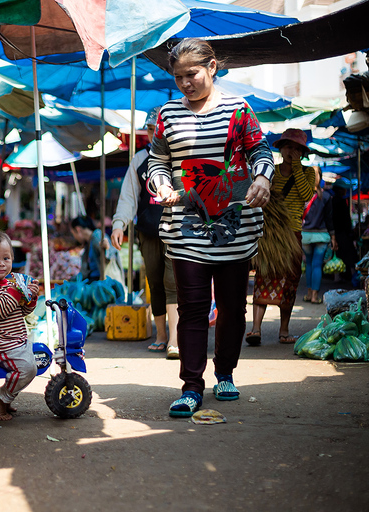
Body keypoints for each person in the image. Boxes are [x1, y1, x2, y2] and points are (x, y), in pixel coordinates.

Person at [147, 38, 274, 417]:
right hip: (185, 226)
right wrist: (162, 184)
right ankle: (190, 385)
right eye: (178, 77)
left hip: (235, 226)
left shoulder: (239, 109)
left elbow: (260, 150)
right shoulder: (168, 115)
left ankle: (225, 373)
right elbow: (157, 160)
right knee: (193, 308)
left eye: (193, 74)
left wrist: (263, 178)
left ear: (213, 67)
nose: (186, 83)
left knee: (233, 307)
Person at [111, 105, 180, 359]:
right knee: (155, 280)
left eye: (158, 129)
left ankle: (175, 339)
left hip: (177, 231)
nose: (154, 134)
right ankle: (161, 335)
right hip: (149, 231)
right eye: (151, 129)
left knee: (173, 282)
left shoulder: (180, 157)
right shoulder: (140, 159)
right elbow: (128, 197)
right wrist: (119, 224)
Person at [247, 129, 315, 345]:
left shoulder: (309, 173)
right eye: (288, 146)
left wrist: (296, 167)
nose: (291, 151)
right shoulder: (270, 173)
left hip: (293, 233)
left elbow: (306, 196)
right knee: (264, 276)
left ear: (302, 153)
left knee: (291, 281)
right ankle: (255, 329)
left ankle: (284, 332)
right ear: (280, 148)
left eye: (296, 148)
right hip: (270, 236)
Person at [0, 229, 40, 421]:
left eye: (6, 258)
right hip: (3, 344)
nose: (2, 263)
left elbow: (21, 311)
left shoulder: (8, 284)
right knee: (27, 369)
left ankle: (6, 398)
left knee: (29, 367)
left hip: (16, 340)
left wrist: (31, 297)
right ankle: (0, 399)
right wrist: (18, 292)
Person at [301, 167, 336, 304]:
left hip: (306, 235)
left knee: (309, 264)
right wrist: (333, 237)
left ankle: (309, 294)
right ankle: (315, 296)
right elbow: (329, 219)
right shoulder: (326, 196)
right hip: (321, 236)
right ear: (320, 178)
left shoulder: (303, 195)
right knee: (317, 265)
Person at [70, 216, 120, 282]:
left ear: (77, 229)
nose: (75, 238)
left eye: (73, 234)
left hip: (101, 281)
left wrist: (107, 248)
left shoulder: (97, 236)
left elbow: (109, 255)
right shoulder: (89, 242)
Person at [331, 178, 359, 286]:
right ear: (340, 190)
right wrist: (350, 232)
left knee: (339, 254)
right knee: (350, 255)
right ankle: (353, 277)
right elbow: (346, 220)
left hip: (337, 232)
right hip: (342, 233)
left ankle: (338, 277)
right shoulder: (341, 202)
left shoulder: (333, 200)